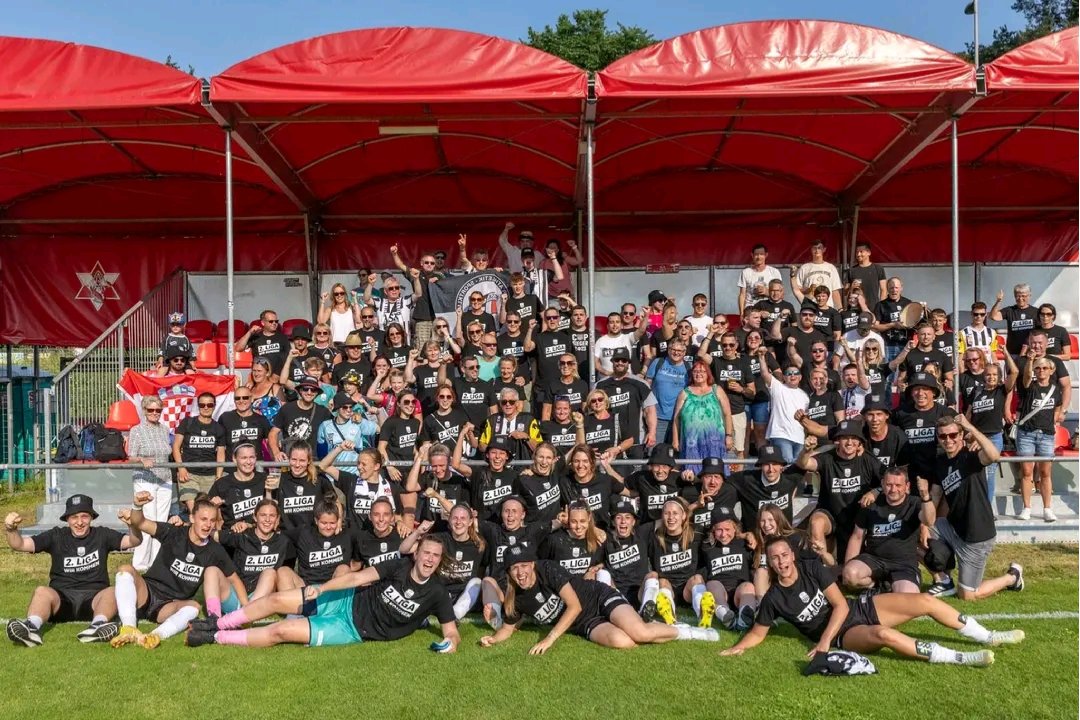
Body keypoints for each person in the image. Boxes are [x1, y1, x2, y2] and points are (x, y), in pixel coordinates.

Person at [720, 537, 1023, 666]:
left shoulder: (812, 568)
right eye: (775, 558)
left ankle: (989, 636)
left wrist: (822, 643)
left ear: (792, 556)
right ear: (770, 564)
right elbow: (759, 632)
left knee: (923, 601)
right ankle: (961, 658)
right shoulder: (774, 598)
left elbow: (840, 605)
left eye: (784, 555)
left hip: (856, 610)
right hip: (845, 635)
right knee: (884, 635)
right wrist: (737, 648)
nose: (781, 561)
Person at [185, 536, 460, 650]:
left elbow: (451, 632)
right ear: (417, 553)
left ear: (440, 559)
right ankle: (215, 622)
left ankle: (216, 637)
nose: (430, 559)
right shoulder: (400, 565)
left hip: (350, 629)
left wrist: (450, 644)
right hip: (344, 599)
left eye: (436, 556)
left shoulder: (436, 592)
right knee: (278, 599)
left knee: (280, 631)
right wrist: (323, 588)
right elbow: (357, 577)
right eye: (426, 553)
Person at [111, 492, 243, 649]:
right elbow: (140, 522)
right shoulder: (173, 533)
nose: (208, 525)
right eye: (203, 519)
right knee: (125, 569)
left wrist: (247, 612)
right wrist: (137, 506)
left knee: (194, 606)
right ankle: (129, 628)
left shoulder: (215, 551)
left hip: (169, 606)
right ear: (192, 518)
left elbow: (234, 579)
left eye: (212, 521)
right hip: (147, 592)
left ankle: (155, 636)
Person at [4, 495, 141, 646]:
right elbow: (20, 544)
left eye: (84, 516)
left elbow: (133, 541)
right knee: (42, 591)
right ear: (67, 519)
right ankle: (31, 628)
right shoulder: (56, 535)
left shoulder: (103, 535)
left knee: (112, 591)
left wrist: (133, 525)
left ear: (91, 518)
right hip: (61, 601)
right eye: (74, 517)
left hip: (95, 601)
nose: (80, 522)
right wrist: (11, 529)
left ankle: (97, 626)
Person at [924, 414, 1025, 600]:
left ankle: (1012, 577)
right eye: (943, 436)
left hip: (976, 535)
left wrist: (970, 427)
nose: (948, 440)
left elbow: (994, 456)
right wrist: (924, 525)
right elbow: (936, 496)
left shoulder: (971, 455)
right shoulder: (940, 462)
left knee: (968, 595)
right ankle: (943, 580)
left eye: (953, 435)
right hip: (953, 528)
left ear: (961, 435)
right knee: (915, 530)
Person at [794, 420, 882, 565]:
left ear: (859, 442)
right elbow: (803, 464)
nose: (849, 442)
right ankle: (822, 568)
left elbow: (888, 478)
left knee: (849, 567)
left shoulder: (866, 458)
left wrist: (875, 492)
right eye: (844, 438)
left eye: (854, 438)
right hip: (830, 514)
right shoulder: (827, 458)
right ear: (837, 441)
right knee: (816, 522)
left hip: (858, 517)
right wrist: (806, 451)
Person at [843, 467, 933, 594]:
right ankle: (876, 585)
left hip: (904, 564)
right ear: (882, 485)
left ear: (907, 486)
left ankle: (891, 585)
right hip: (874, 559)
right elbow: (857, 537)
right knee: (850, 575)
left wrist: (925, 496)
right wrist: (847, 566)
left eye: (898, 485)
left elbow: (929, 521)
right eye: (889, 485)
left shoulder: (915, 503)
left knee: (908, 595)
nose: (893, 489)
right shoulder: (870, 504)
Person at [409, 503, 486, 619]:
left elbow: (482, 568)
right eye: (455, 518)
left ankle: (455, 616)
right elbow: (406, 549)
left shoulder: (479, 544)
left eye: (463, 518)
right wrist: (417, 532)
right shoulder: (440, 539)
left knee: (477, 582)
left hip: (464, 595)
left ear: (470, 522)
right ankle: (424, 617)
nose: (458, 522)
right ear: (449, 520)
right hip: (442, 592)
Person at [1015, 355, 1066, 522]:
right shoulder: (1030, 386)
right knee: (1027, 472)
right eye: (1038, 368)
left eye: (1044, 368)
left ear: (1052, 370)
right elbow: (1027, 377)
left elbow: (1058, 406)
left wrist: (1056, 418)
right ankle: (1027, 508)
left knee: (1045, 472)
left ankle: (1047, 508)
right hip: (1027, 433)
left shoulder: (1056, 389)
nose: (1041, 371)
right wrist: (1030, 361)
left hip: (1046, 435)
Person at [640, 498, 705, 626]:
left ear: (684, 516)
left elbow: (721, 529)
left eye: (675, 513)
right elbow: (630, 533)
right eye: (666, 513)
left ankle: (703, 615)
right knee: (662, 581)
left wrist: (745, 535)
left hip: (688, 590)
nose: (671, 517)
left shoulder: (696, 533)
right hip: (666, 588)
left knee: (697, 578)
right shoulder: (654, 537)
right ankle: (670, 616)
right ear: (661, 517)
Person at [216, 499, 296, 603]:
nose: (267, 519)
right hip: (240, 591)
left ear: (277, 519)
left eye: (272, 515)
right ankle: (247, 609)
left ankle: (249, 609)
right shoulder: (242, 535)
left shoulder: (283, 541)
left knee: (270, 573)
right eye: (263, 515)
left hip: (265, 593)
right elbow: (213, 535)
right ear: (255, 517)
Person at [127, 394, 173, 571]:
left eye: (158, 410)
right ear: (144, 411)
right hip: (145, 478)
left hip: (164, 478)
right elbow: (130, 457)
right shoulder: (136, 430)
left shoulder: (164, 429)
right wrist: (141, 459)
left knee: (160, 522)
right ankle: (140, 564)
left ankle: (157, 562)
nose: (155, 413)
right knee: (146, 519)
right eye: (151, 410)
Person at [964, 353, 1018, 502]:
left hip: (993, 437)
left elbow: (1014, 372)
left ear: (999, 377)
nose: (991, 377)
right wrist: (966, 433)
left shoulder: (1001, 390)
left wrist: (1006, 353)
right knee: (974, 472)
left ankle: (987, 508)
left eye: (994, 375)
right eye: (988, 374)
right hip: (976, 438)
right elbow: (969, 414)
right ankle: (976, 506)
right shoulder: (976, 391)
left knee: (989, 472)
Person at [698, 512, 757, 630]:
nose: (724, 534)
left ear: (735, 529)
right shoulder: (707, 546)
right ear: (713, 531)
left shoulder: (744, 544)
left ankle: (744, 618)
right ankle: (724, 613)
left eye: (727, 529)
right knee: (712, 583)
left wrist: (747, 535)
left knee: (748, 586)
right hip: (720, 592)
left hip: (739, 592)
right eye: (719, 530)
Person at [671, 360, 734, 473]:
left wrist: (729, 436)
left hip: (714, 441)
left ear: (708, 374)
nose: (698, 374)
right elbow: (676, 418)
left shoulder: (717, 390)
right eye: (695, 371)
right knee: (692, 472)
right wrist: (675, 440)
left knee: (715, 471)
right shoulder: (684, 393)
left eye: (702, 371)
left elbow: (727, 414)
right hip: (691, 442)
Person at [321, 446, 407, 528]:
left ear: (376, 466)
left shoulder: (391, 487)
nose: (359, 467)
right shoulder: (351, 481)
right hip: (356, 540)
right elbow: (324, 466)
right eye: (358, 463)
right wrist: (340, 448)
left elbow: (397, 515)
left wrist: (400, 523)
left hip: (380, 539)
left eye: (364, 464)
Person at [172, 391, 226, 514]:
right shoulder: (187, 422)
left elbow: (221, 453)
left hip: (210, 475)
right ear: (198, 406)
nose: (206, 408)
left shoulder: (219, 428)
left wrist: (218, 476)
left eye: (209, 405)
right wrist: (181, 468)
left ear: (214, 405)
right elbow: (176, 446)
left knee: (209, 512)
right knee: (194, 512)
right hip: (189, 474)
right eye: (202, 405)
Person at [596, 348, 655, 459]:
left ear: (629, 363)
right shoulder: (600, 385)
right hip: (609, 442)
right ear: (612, 361)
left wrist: (652, 432)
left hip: (636, 441)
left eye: (624, 360)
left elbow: (650, 410)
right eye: (617, 360)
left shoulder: (640, 384)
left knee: (636, 475)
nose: (620, 363)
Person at [725, 445, 802, 528]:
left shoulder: (790, 477)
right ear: (760, 466)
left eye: (775, 464)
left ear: (781, 466)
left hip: (782, 537)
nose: (771, 469)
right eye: (766, 464)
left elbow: (805, 463)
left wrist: (807, 450)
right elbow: (722, 481)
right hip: (754, 538)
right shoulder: (747, 479)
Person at [755, 348, 808, 463]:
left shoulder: (805, 396)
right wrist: (761, 358)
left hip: (799, 437)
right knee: (787, 465)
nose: (792, 376)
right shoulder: (778, 387)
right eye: (789, 374)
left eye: (795, 373)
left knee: (799, 468)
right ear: (784, 377)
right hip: (781, 435)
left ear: (800, 377)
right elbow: (765, 373)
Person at [560, 446, 626, 530]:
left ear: (592, 462)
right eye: (576, 461)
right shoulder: (564, 483)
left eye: (585, 461)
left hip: (602, 534)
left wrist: (607, 466)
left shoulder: (605, 480)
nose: (580, 465)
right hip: (577, 534)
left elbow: (630, 493)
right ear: (571, 463)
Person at [275, 442, 336, 531]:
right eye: (294, 459)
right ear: (289, 459)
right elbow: (271, 504)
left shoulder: (319, 479)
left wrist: (338, 523)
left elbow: (335, 503)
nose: (297, 464)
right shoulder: (281, 479)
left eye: (302, 460)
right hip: (288, 536)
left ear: (309, 461)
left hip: (314, 536)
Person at [268, 376, 334, 461]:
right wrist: (276, 452)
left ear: (317, 392)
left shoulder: (323, 411)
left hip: (312, 461)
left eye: (313, 390)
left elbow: (339, 424)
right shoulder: (287, 409)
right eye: (306, 389)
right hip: (291, 460)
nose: (309, 392)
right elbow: (273, 433)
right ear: (300, 390)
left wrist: (354, 416)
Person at [600, 498, 651, 603]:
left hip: (639, 592)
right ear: (613, 522)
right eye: (619, 517)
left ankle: (646, 608)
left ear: (633, 521)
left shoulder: (642, 534)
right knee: (601, 573)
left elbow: (664, 521)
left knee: (653, 575)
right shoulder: (605, 539)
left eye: (627, 517)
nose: (623, 521)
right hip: (616, 592)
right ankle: (610, 604)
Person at [208, 443, 270, 527]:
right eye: (244, 458)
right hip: (232, 535)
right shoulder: (222, 484)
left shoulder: (265, 479)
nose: (248, 462)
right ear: (234, 459)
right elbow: (206, 514)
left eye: (251, 457)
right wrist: (214, 506)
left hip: (259, 533)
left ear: (256, 457)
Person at [645, 339, 691, 443]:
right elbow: (647, 385)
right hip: (658, 417)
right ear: (668, 350)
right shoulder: (658, 362)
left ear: (684, 353)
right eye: (673, 349)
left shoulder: (689, 368)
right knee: (655, 451)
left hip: (679, 418)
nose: (676, 352)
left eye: (679, 351)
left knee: (676, 451)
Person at [541, 502, 605, 577]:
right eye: (574, 521)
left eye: (582, 521)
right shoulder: (554, 540)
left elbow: (604, 563)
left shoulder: (597, 541)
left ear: (589, 518)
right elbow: (541, 565)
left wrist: (597, 569)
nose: (578, 526)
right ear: (568, 520)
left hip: (587, 586)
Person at [439, 354, 497, 433]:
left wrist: (492, 432)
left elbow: (494, 411)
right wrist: (443, 363)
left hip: (481, 432)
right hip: (461, 432)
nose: (475, 369)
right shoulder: (456, 383)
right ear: (463, 369)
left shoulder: (486, 386)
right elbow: (441, 383)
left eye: (477, 367)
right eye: (471, 367)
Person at [348, 498, 404, 570]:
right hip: (373, 580)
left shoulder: (401, 534)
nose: (381, 519)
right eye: (376, 515)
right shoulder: (362, 539)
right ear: (370, 516)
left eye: (386, 514)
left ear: (392, 517)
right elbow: (355, 566)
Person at [218, 386, 272, 457]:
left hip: (255, 466)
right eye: (237, 398)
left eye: (245, 397)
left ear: (251, 399)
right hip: (232, 466)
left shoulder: (261, 420)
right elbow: (220, 447)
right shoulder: (225, 418)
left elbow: (270, 444)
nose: (241, 401)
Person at [873, 277, 916, 366]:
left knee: (905, 372)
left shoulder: (908, 303)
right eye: (891, 287)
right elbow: (875, 327)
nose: (894, 290)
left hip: (906, 344)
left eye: (896, 287)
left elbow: (915, 323)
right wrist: (893, 325)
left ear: (901, 288)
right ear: (887, 289)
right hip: (888, 345)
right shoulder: (881, 305)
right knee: (890, 372)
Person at [235, 310, 289, 376]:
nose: (274, 323)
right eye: (271, 321)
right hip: (260, 376)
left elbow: (287, 359)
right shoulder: (256, 337)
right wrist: (249, 332)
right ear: (263, 323)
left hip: (277, 376)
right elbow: (238, 348)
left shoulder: (283, 338)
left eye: (276, 321)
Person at [791, 239, 842, 308]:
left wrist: (840, 309)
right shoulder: (804, 268)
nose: (817, 250)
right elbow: (797, 289)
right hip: (811, 307)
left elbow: (835, 291)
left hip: (828, 308)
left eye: (819, 248)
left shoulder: (831, 268)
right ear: (811, 250)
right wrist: (808, 290)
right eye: (814, 248)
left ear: (824, 249)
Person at [990, 284, 1035, 358]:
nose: (1020, 299)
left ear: (1029, 296)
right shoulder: (1009, 310)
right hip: (1012, 353)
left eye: (1023, 296)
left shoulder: (1036, 312)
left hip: (1030, 354)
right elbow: (993, 316)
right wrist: (998, 301)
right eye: (1018, 296)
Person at [738, 244, 783, 314]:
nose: (759, 257)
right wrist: (741, 313)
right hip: (750, 309)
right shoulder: (746, 272)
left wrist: (767, 292)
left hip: (769, 309)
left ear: (766, 255)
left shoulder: (774, 272)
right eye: (756, 254)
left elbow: (781, 294)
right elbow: (742, 294)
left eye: (761, 254)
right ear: (752, 255)